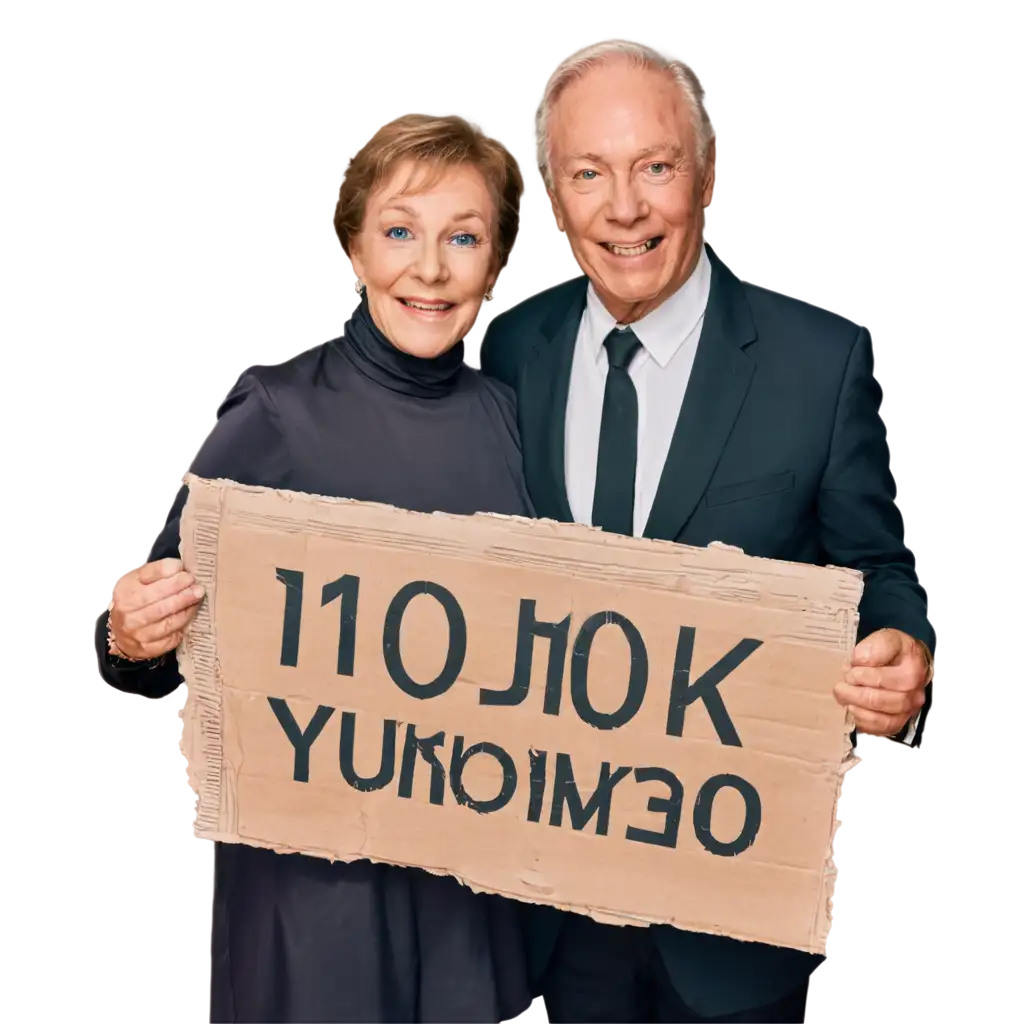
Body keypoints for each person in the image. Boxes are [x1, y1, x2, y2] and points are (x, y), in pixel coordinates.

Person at [482, 39, 936, 1024]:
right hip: (543, 921)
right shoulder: (505, 351)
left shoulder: (817, 362)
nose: (626, 207)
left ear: (707, 172)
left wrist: (898, 664)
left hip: (731, 940)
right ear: (553, 197)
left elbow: (879, 570)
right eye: (588, 174)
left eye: (656, 166)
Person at [93, 115, 539, 1024]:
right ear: (352, 250)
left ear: (493, 266)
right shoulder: (274, 415)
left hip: (474, 898)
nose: (431, 267)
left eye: (464, 237)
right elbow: (145, 644)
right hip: (315, 901)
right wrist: (131, 634)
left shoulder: (523, 428)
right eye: (400, 231)